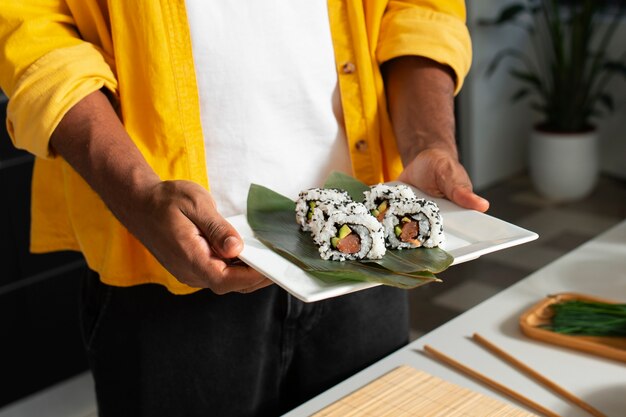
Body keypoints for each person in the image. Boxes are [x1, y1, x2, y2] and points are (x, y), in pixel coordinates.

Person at [0, 1, 489, 416]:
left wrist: (430, 144)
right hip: (167, 263)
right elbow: (33, 31)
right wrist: (137, 191)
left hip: (365, 249)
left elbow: (420, 10)